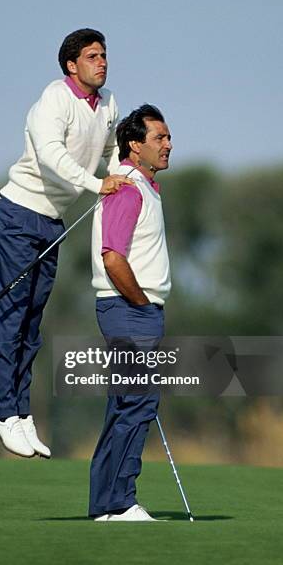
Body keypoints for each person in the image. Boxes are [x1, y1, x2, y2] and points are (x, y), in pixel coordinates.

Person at [0, 28, 133, 459]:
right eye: (92, 56)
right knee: (5, 318)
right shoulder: (54, 99)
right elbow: (51, 155)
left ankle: (21, 413)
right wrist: (96, 183)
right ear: (71, 65)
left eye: (104, 55)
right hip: (16, 215)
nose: (102, 62)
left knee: (31, 324)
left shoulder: (108, 105)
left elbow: (111, 149)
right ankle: (2, 414)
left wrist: (128, 170)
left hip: (50, 223)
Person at [89, 104, 172, 521]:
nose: (168, 145)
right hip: (128, 308)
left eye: (168, 137)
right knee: (138, 404)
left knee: (125, 404)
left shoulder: (143, 186)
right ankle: (119, 502)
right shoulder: (129, 187)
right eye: (159, 138)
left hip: (132, 309)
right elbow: (112, 258)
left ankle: (107, 505)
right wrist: (141, 304)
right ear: (135, 146)